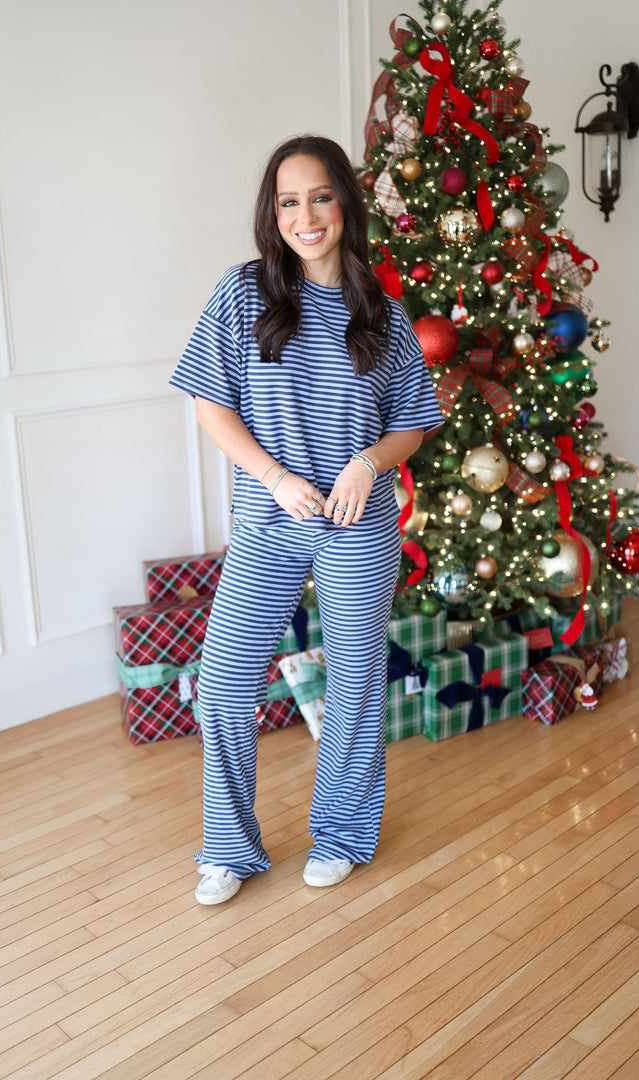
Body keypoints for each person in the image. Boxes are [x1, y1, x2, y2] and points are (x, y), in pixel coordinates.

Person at [169, 134, 445, 905]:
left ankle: (344, 835)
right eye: (288, 201)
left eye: (319, 196)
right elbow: (207, 402)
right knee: (223, 683)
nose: (305, 215)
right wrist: (274, 475)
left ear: (345, 204)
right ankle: (229, 848)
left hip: (360, 526)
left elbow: (412, 423)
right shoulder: (243, 292)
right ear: (273, 214)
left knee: (355, 683)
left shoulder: (383, 313)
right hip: (270, 517)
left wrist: (368, 463)